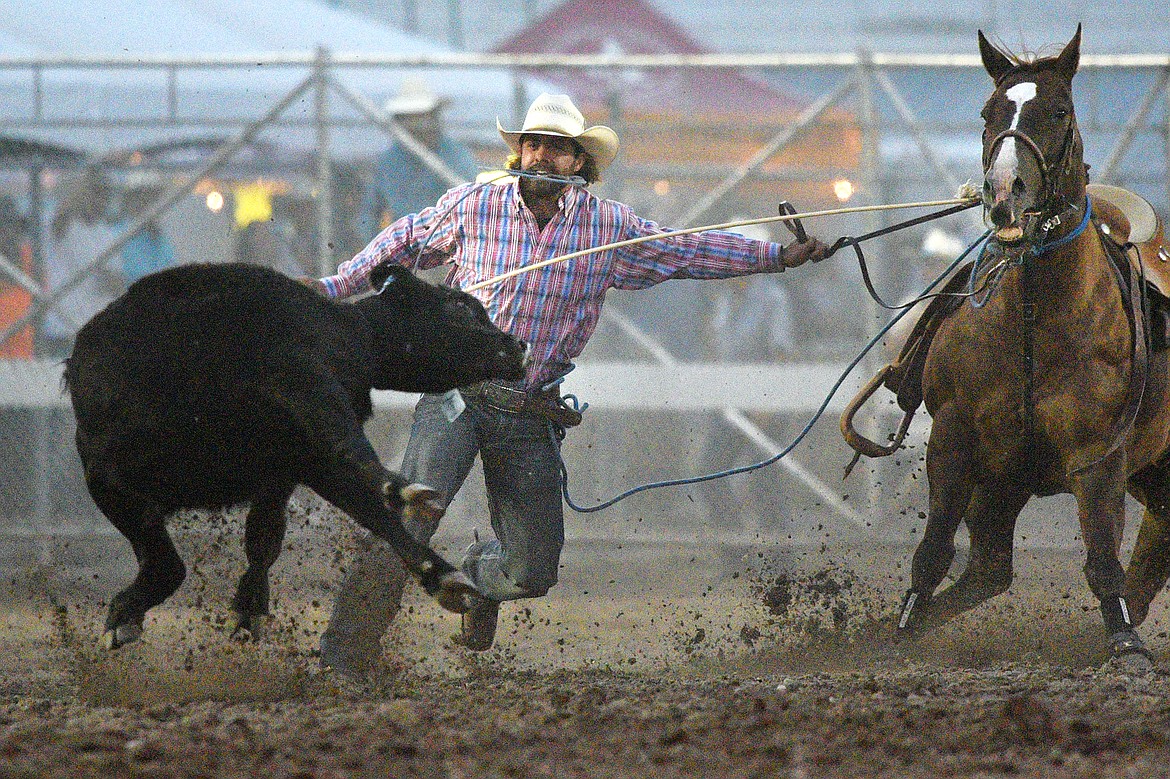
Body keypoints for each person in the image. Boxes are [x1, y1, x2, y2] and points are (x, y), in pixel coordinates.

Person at [310, 92, 832, 678]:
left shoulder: (607, 228)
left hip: (531, 407)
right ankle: (345, 651)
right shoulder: (475, 204)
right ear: (519, 152)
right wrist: (330, 292)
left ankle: (480, 581)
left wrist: (776, 257)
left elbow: (684, 252)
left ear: (578, 163)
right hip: (456, 395)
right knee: (409, 521)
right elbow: (401, 241)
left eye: (557, 149)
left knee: (533, 568)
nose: (542, 157)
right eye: (533, 145)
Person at [358, 77, 479, 241]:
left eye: (422, 117)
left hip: (449, 247)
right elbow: (370, 213)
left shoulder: (457, 157)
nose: (417, 125)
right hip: (404, 250)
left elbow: (473, 209)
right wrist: (377, 256)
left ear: (434, 117)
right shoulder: (389, 162)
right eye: (409, 118)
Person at [39, 166, 120, 359]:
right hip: (61, 331)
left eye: (103, 195)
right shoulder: (58, 223)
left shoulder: (107, 234)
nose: (99, 201)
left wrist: (109, 279)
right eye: (94, 193)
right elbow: (60, 220)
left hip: (95, 335)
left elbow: (115, 283)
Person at [116, 180, 176, 284]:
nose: (146, 205)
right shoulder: (116, 231)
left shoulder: (159, 236)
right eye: (142, 198)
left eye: (151, 200)